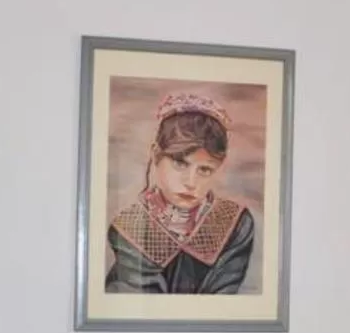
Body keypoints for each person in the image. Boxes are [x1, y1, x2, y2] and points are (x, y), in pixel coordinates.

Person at [107, 91, 255, 294]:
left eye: (205, 169)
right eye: (180, 163)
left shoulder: (236, 224)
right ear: (156, 155)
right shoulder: (128, 228)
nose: (191, 182)